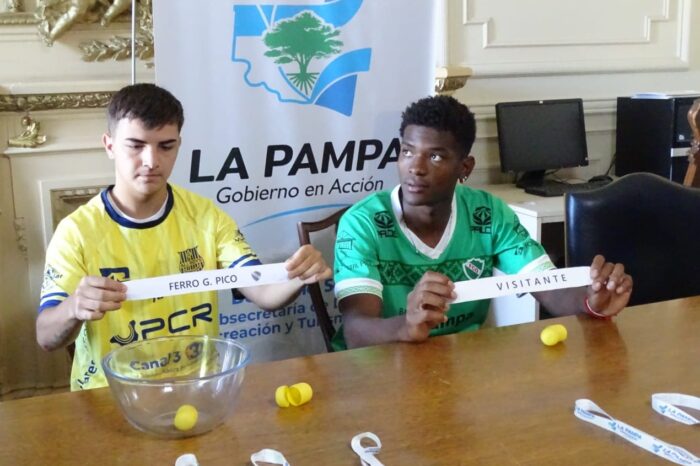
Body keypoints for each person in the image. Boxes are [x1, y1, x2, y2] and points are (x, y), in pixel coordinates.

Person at [37, 83, 331, 390]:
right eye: (135, 146)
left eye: (166, 146)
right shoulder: (76, 231)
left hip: (198, 387)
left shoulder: (206, 217)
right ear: (109, 145)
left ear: (179, 145)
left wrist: (297, 275)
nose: (151, 161)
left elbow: (263, 292)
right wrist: (74, 307)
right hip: (111, 394)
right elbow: (45, 337)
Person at [332, 95, 633, 350]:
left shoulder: (488, 213)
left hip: (461, 364)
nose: (416, 168)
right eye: (407, 151)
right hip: (380, 366)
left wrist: (591, 301)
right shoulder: (362, 223)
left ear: (465, 167)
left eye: (435, 157)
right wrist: (406, 326)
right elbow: (355, 330)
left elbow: (547, 286)